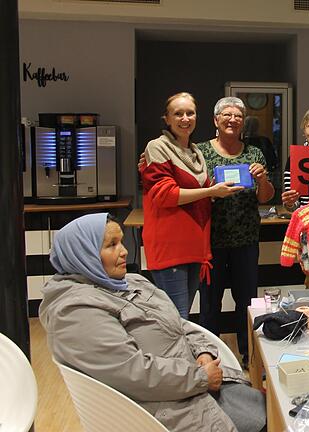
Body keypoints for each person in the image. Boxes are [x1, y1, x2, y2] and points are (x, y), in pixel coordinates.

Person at [39, 213, 266, 432]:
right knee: (277, 417)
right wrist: (200, 378)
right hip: (170, 408)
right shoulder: (76, 312)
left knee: (279, 409)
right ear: (83, 254)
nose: (124, 251)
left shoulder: (129, 281)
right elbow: (133, 372)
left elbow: (179, 325)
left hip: (193, 385)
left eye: (121, 242)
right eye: (112, 245)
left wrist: (202, 352)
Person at [141, 92, 242, 319]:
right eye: (178, 114)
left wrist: (215, 191)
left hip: (195, 248)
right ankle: (177, 356)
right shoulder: (157, 147)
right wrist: (210, 191)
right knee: (177, 319)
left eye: (190, 113)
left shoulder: (195, 153)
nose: (185, 118)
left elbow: (198, 198)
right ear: (166, 118)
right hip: (171, 247)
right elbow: (164, 195)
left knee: (181, 316)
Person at [198, 97, 275, 366]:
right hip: (210, 241)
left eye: (238, 116)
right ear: (215, 121)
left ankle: (248, 357)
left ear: (243, 122)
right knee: (209, 304)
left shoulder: (254, 154)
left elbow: (265, 197)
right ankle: (210, 358)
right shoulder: (198, 153)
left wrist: (262, 179)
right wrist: (209, 191)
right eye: (226, 115)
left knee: (247, 301)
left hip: (245, 239)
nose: (232, 120)